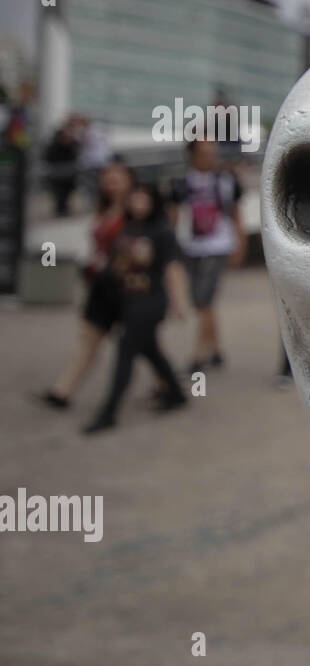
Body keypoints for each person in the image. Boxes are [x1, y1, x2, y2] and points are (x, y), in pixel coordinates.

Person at [83, 183, 188, 434]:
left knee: (125, 352)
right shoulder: (127, 227)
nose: (138, 205)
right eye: (135, 199)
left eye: (143, 199)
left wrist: (179, 301)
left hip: (149, 302)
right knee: (150, 350)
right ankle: (176, 393)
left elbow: (172, 267)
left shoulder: (162, 231)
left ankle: (109, 411)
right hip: (127, 301)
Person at [37, 160, 136, 409]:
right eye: (108, 177)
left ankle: (166, 384)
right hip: (101, 285)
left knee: (141, 343)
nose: (111, 182)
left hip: (123, 286)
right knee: (88, 337)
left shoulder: (135, 211)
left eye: (117, 177)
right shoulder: (105, 210)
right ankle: (63, 391)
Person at [169, 134, 246, 374]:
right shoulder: (181, 182)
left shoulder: (226, 180)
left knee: (202, 298)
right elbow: (173, 216)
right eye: (205, 153)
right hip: (192, 245)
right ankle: (216, 350)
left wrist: (239, 244)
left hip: (217, 245)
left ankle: (199, 354)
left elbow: (235, 214)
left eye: (213, 152)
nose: (210, 157)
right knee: (205, 302)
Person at [43, 117, 81, 216]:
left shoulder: (74, 143)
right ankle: (60, 209)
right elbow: (48, 156)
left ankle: (63, 209)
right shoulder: (54, 145)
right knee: (59, 194)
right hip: (57, 174)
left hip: (69, 174)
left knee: (66, 193)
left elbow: (76, 156)